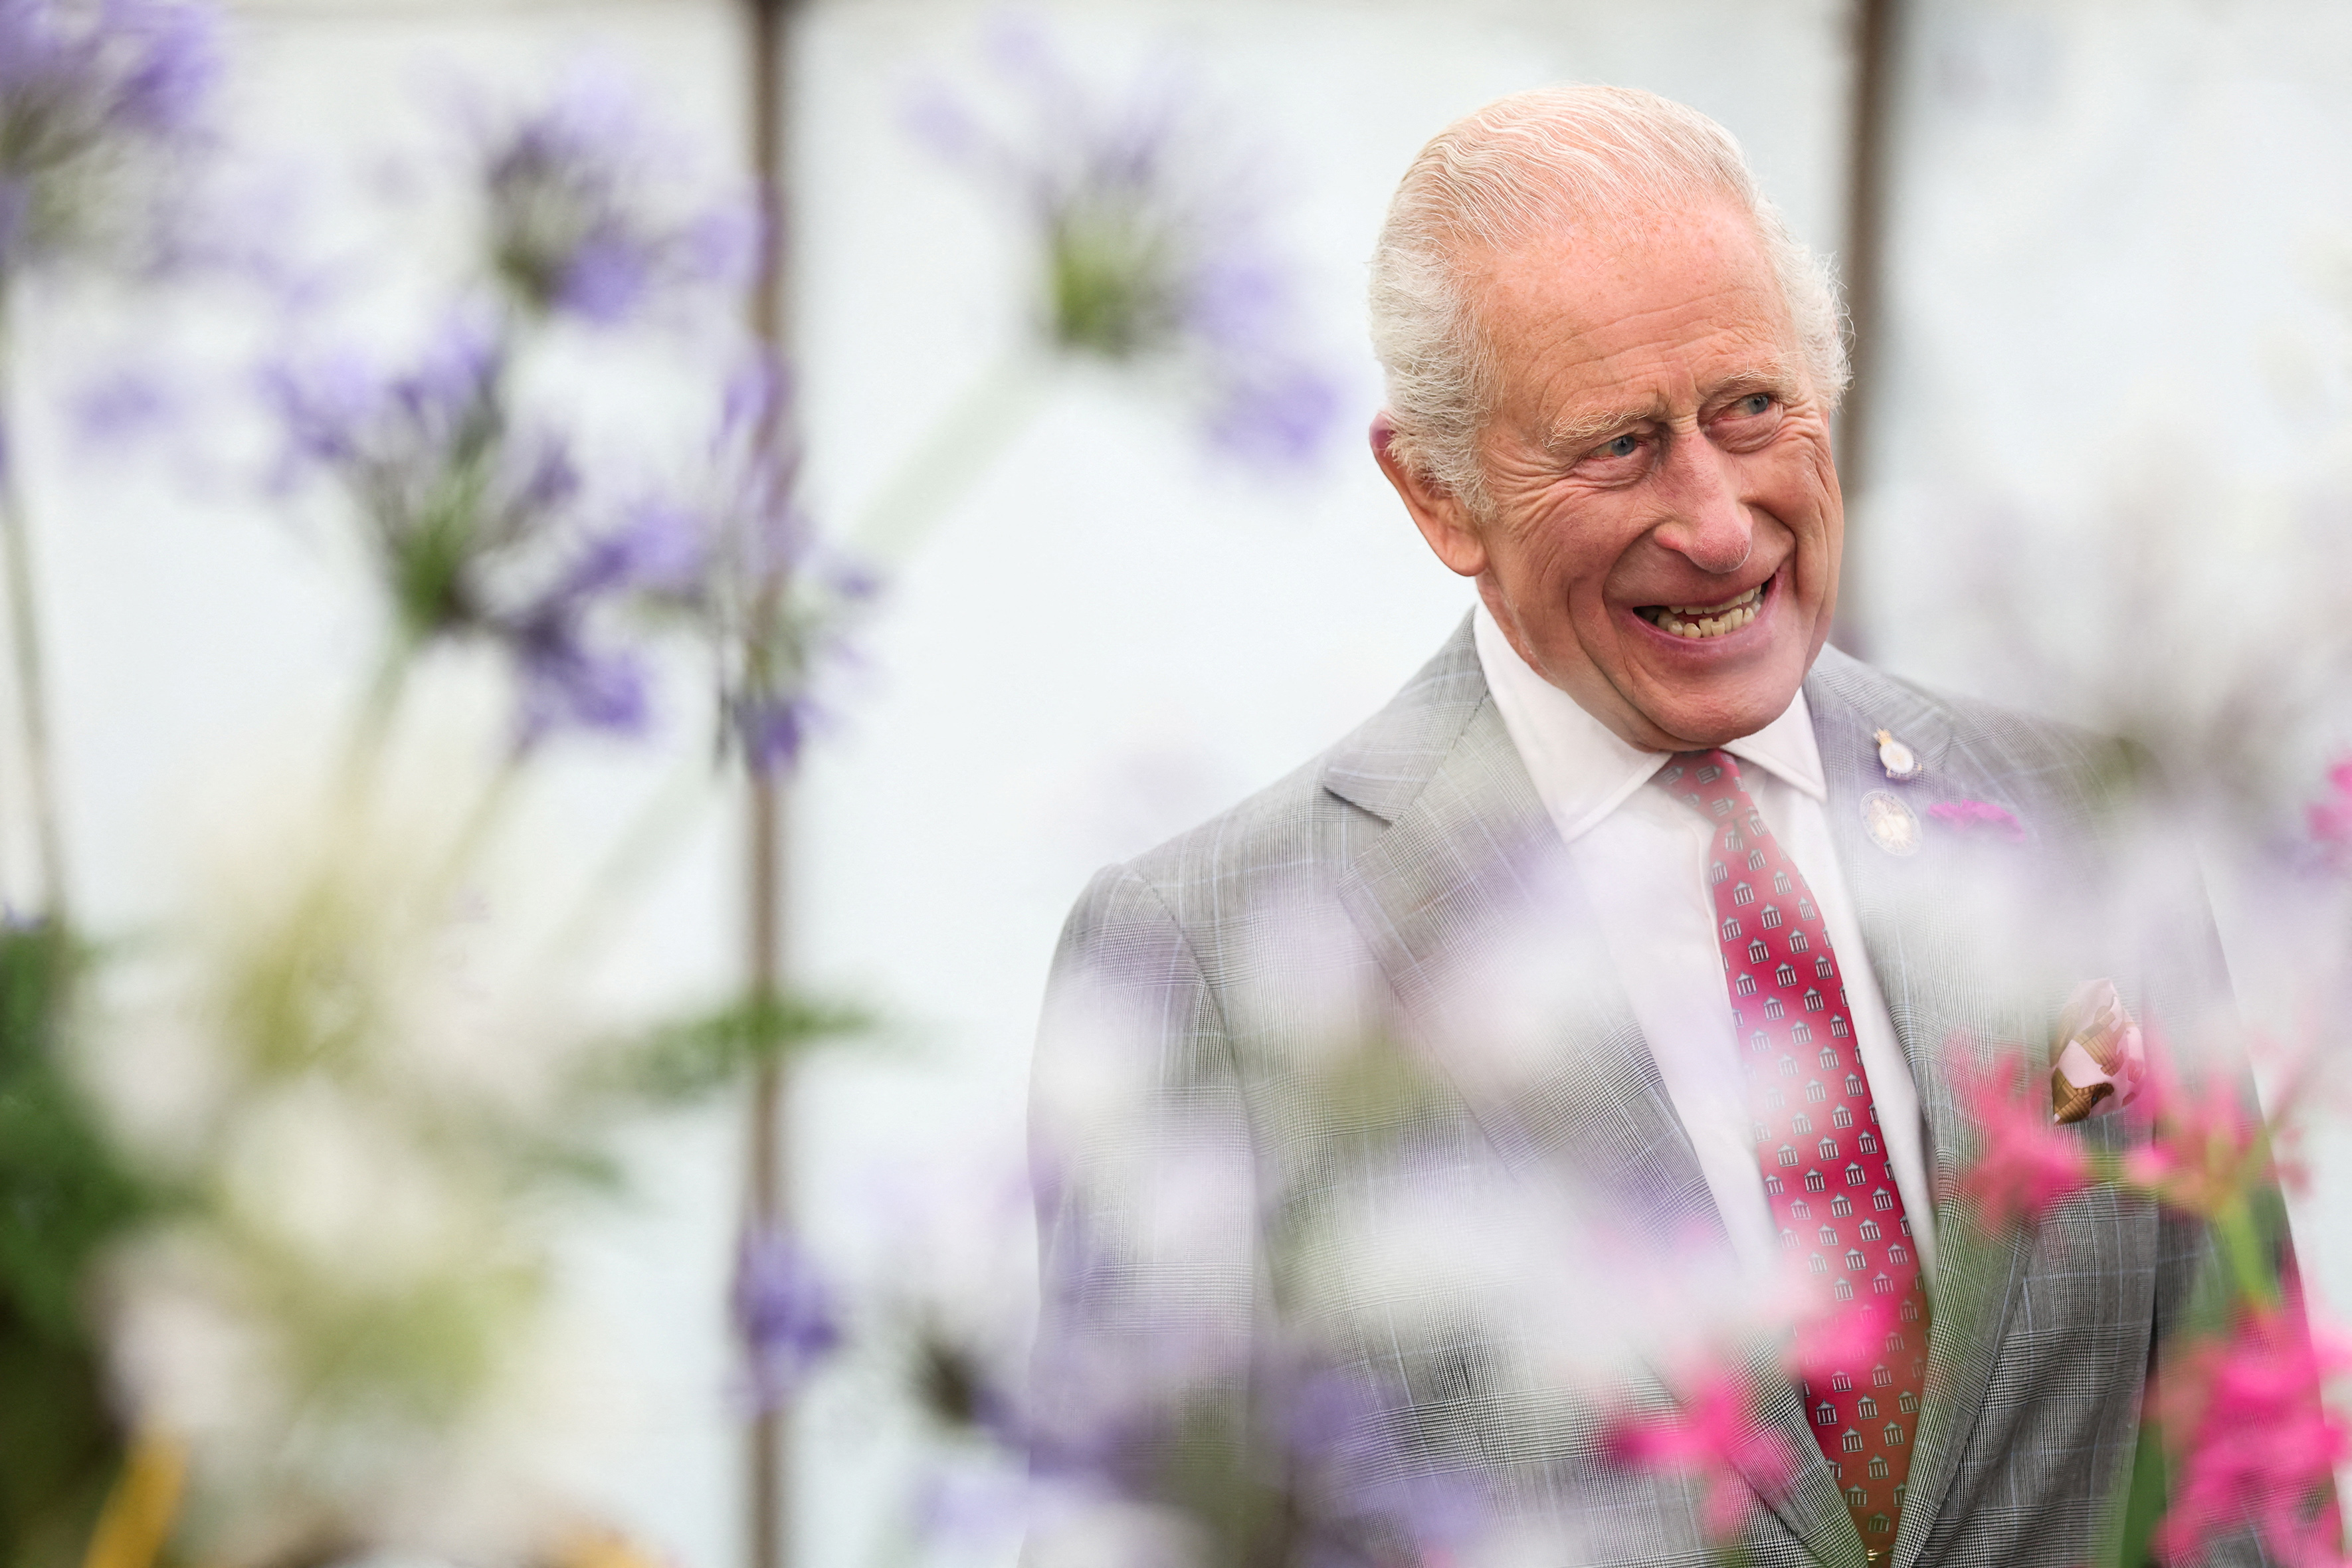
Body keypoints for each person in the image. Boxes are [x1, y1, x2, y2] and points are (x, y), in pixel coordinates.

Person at [1029, 85, 2259, 1567]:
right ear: (1438, 494)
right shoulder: (1223, 950)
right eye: (1618, 446)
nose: (1718, 523)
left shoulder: (2085, 820)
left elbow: (2247, 1467)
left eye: (1751, 409)